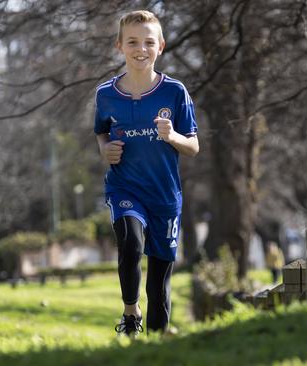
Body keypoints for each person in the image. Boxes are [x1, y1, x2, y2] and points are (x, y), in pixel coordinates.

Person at [94, 10, 199, 336]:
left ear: (161, 46)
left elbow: (194, 145)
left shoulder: (175, 92)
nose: (141, 49)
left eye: (148, 42)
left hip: (164, 196)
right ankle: (130, 316)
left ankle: (155, 342)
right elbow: (101, 132)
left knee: (159, 284)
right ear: (120, 46)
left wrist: (172, 137)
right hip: (125, 188)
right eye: (133, 42)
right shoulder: (106, 94)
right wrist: (104, 150)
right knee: (129, 243)